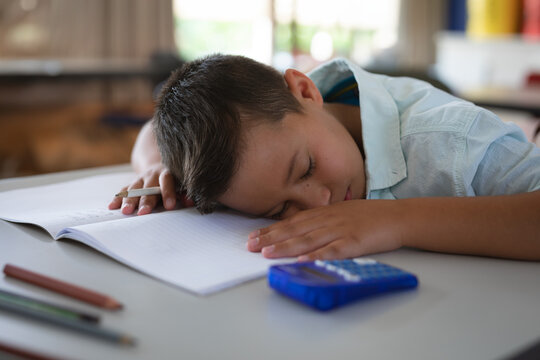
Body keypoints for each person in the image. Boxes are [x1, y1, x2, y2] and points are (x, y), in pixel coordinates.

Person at [109, 54, 540, 261]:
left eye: (307, 169)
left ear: (305, 90)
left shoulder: (452, 143)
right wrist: (158, 165)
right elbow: (151, 130)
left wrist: (397, 219)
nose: (317, 203)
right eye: (280, 209)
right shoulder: (263, 127)